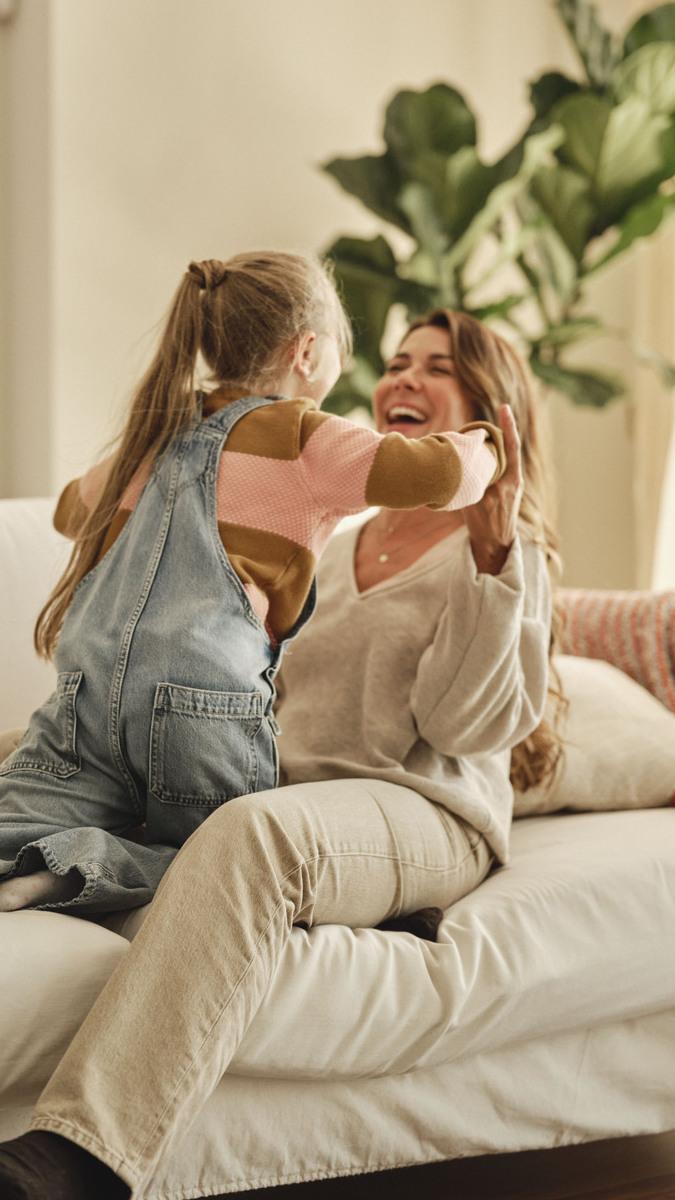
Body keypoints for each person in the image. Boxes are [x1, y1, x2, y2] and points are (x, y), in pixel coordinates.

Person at [0, 308, 561, 1200]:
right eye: (398, 361)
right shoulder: (335, 537)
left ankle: (82, 1157)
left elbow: (465, 727)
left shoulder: (501, 552)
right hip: (289, 788)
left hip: (418, 808)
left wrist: (493, 560)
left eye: (437, 367)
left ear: (486, 405)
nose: (403, 379)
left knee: (256, 836)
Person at [0, 254, 505, 915]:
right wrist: (490, 443)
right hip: (200, 707)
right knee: (229, 863)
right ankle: (83, 870)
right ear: (306, 352)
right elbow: (439, 476)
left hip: (84, 697)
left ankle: (28, 856)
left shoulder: (155, 434)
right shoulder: (302, 437)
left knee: (13, 825)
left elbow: (71, 511)